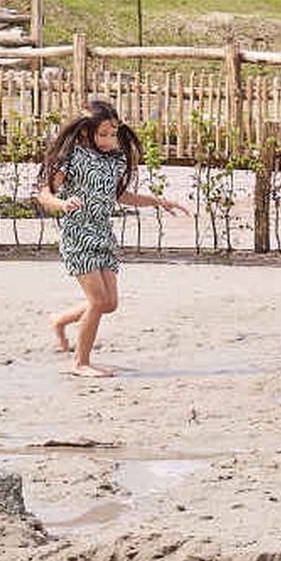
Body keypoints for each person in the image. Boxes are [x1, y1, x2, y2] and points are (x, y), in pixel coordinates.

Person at [37, 95, 184, 380]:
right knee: (97, 301)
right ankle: (80, 363)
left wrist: (157, 201)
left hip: (103, 233)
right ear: (84, 131)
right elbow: (45, 194)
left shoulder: (115, 160)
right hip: (77, 233)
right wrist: (62, 204)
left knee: (109, 303)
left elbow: (119, 196)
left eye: (113, 133)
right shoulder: (71, 158)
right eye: (103, 134)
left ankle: (60, 320)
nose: (109, 139)